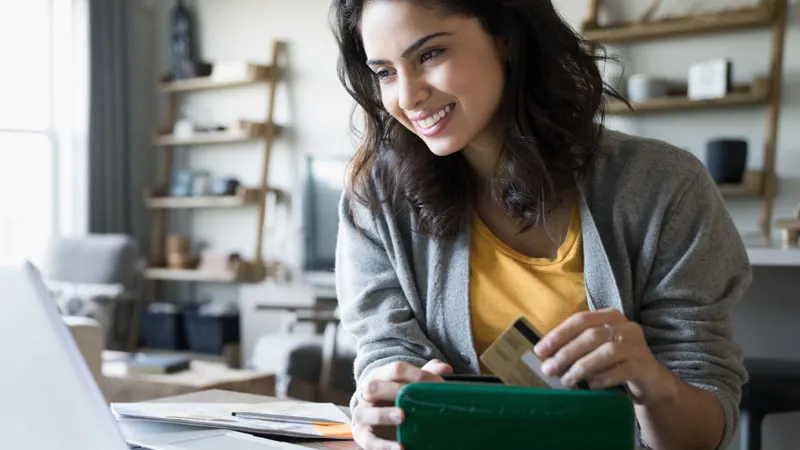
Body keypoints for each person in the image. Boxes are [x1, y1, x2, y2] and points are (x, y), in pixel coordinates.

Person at [330, 1, 751, 449]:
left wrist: (652, 382)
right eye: (384, 73)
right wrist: (379, 405)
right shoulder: (377, 198)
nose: (408, 96)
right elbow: (384, 354)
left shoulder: (665, 187)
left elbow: (702, 432)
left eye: (430, 54)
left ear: (504, 36)